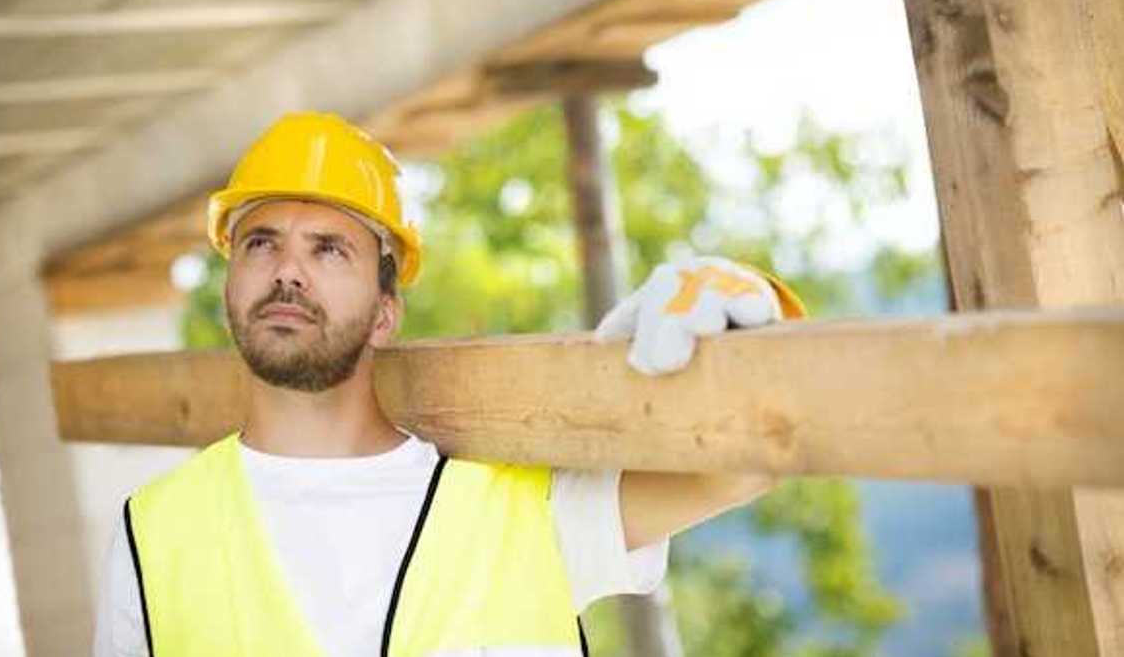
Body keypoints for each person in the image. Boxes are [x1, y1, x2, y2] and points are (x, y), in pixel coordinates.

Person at [93, 112, 806, 657]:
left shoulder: (523, 509)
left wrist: (755, 315)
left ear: (384, 313)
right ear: (230, 283)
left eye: (328, 248)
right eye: (261, 241)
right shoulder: (152, 534)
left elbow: (745, 465)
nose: (287, 269)